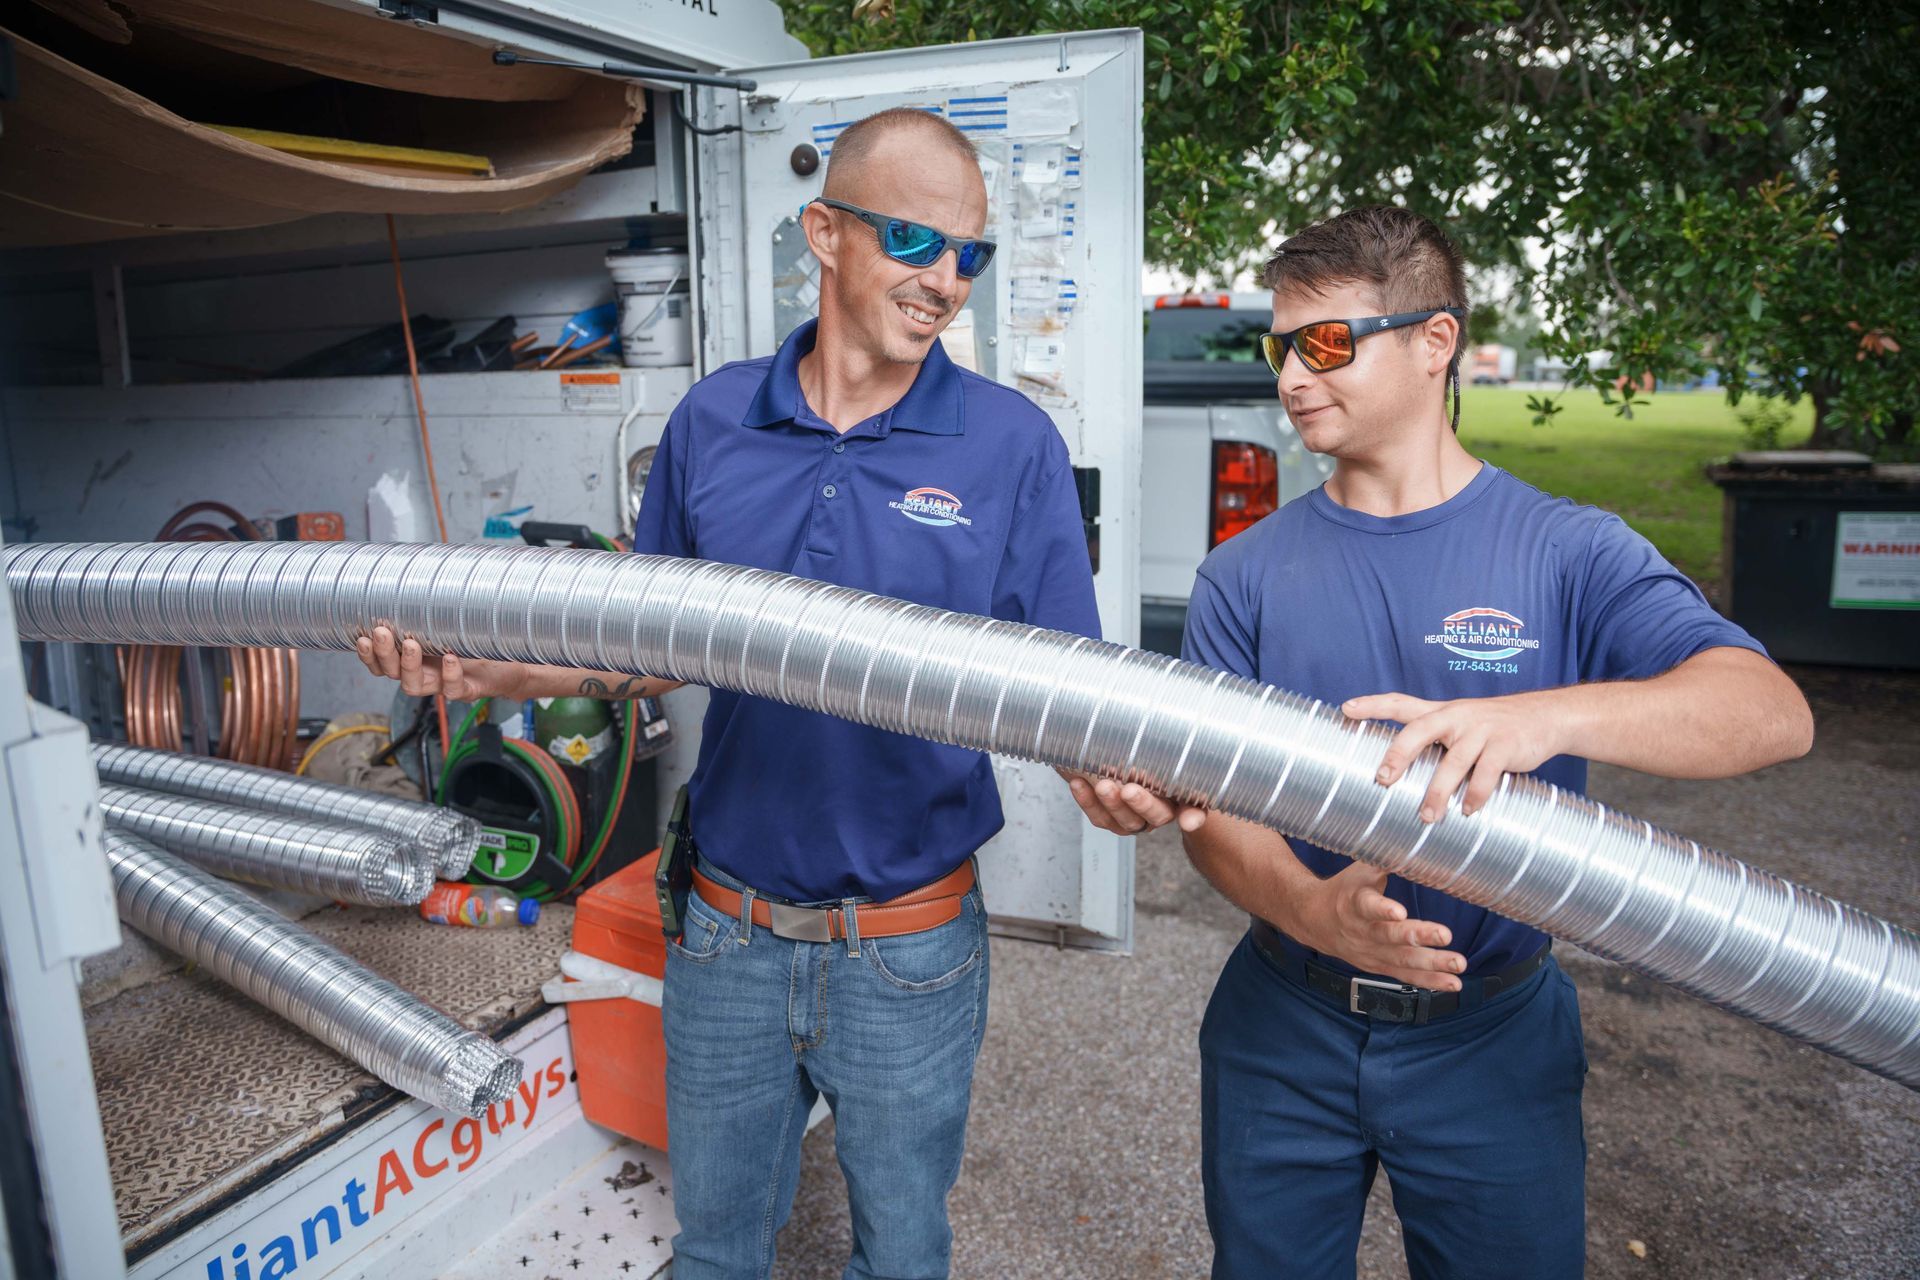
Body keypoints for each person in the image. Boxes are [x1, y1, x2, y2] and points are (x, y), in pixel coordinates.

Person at [357, 108, 1099, 1279]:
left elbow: (1077, 689)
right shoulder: (713, 421)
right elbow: (656, 647)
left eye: (972, 254)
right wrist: (496, 668)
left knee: (902, 1256)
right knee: (712, 1249)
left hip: (907, 947)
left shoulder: (1010, 446)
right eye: (916, 240)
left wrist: (1129, 785)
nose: (947, 279)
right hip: (725, 935)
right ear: (825, 231)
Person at [1066, 205, 1812, 1278]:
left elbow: (1768, 712)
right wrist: (1312, 909)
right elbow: (1216, 815)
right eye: (1280, 345)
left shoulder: (1566, 547)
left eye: (1326, 344)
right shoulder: (1246, 572)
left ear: (1435, 342)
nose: (1289, 376)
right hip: (1284, 1024)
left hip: (1494, 1033)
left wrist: (1542, 714)